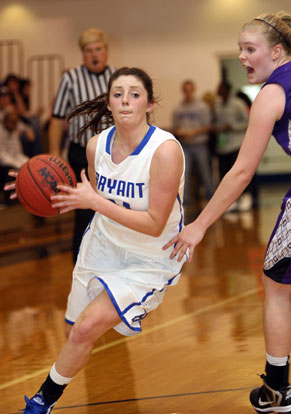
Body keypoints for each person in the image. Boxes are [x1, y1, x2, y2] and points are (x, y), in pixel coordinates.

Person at [5, 67, 186, 413]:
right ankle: (46, 400)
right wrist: (40, 189)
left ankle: (41, 402)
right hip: (103, 246)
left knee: (87, 326)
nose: (125, 101)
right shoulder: (95, 146)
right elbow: (88, 197)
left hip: (149, 256)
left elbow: (153, 223)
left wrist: (95, 203)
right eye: (118, 94)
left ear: (149, 104)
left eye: (135, 94)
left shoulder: (165, 151)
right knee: (78, 331)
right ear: (108, 101)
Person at [164, 11, 291, 414]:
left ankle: (277, 392)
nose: (242, 56)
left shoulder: (272, 94)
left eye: (249, 49)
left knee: (275, 286)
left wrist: (199, 226)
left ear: (276, 52)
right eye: (239, 49)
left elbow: (240, 172)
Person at [48, 28, 115, 263]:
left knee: (113, 209)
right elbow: (57, 118)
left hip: (113, 154)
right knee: (84, 212)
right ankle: (81, 264)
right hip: (81, 155)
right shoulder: (70, 78)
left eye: (98, 49)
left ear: (106, 52)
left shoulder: (117, 77)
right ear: (82, 54)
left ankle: (111, 260)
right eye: (89, 51)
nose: (94, 55)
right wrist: (55, 155)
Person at [172, 80, 214, 213]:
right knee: (185, 173)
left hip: (200, 144)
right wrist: (181, 133)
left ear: (193, 90)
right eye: (185, 90)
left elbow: (207, 125)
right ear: (183, 91)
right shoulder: (178, 109)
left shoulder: (202, 107)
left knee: (205, 172)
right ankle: (185, 200)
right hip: (185, 145)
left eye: (190, 89)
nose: (188, 92)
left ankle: (211, 196)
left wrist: (193, 132)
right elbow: (175, 128)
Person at [212, 80, 250, 212]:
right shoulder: (217, 105)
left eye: (220, 88)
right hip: (222, 146)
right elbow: (216, 123)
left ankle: (244, 198)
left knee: (237, 174)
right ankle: (229, 202)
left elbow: (247, 123)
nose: (218, 91)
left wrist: (232, 127)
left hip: (236, 144)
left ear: (227, 90)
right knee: (224, 174)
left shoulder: (238, 104)